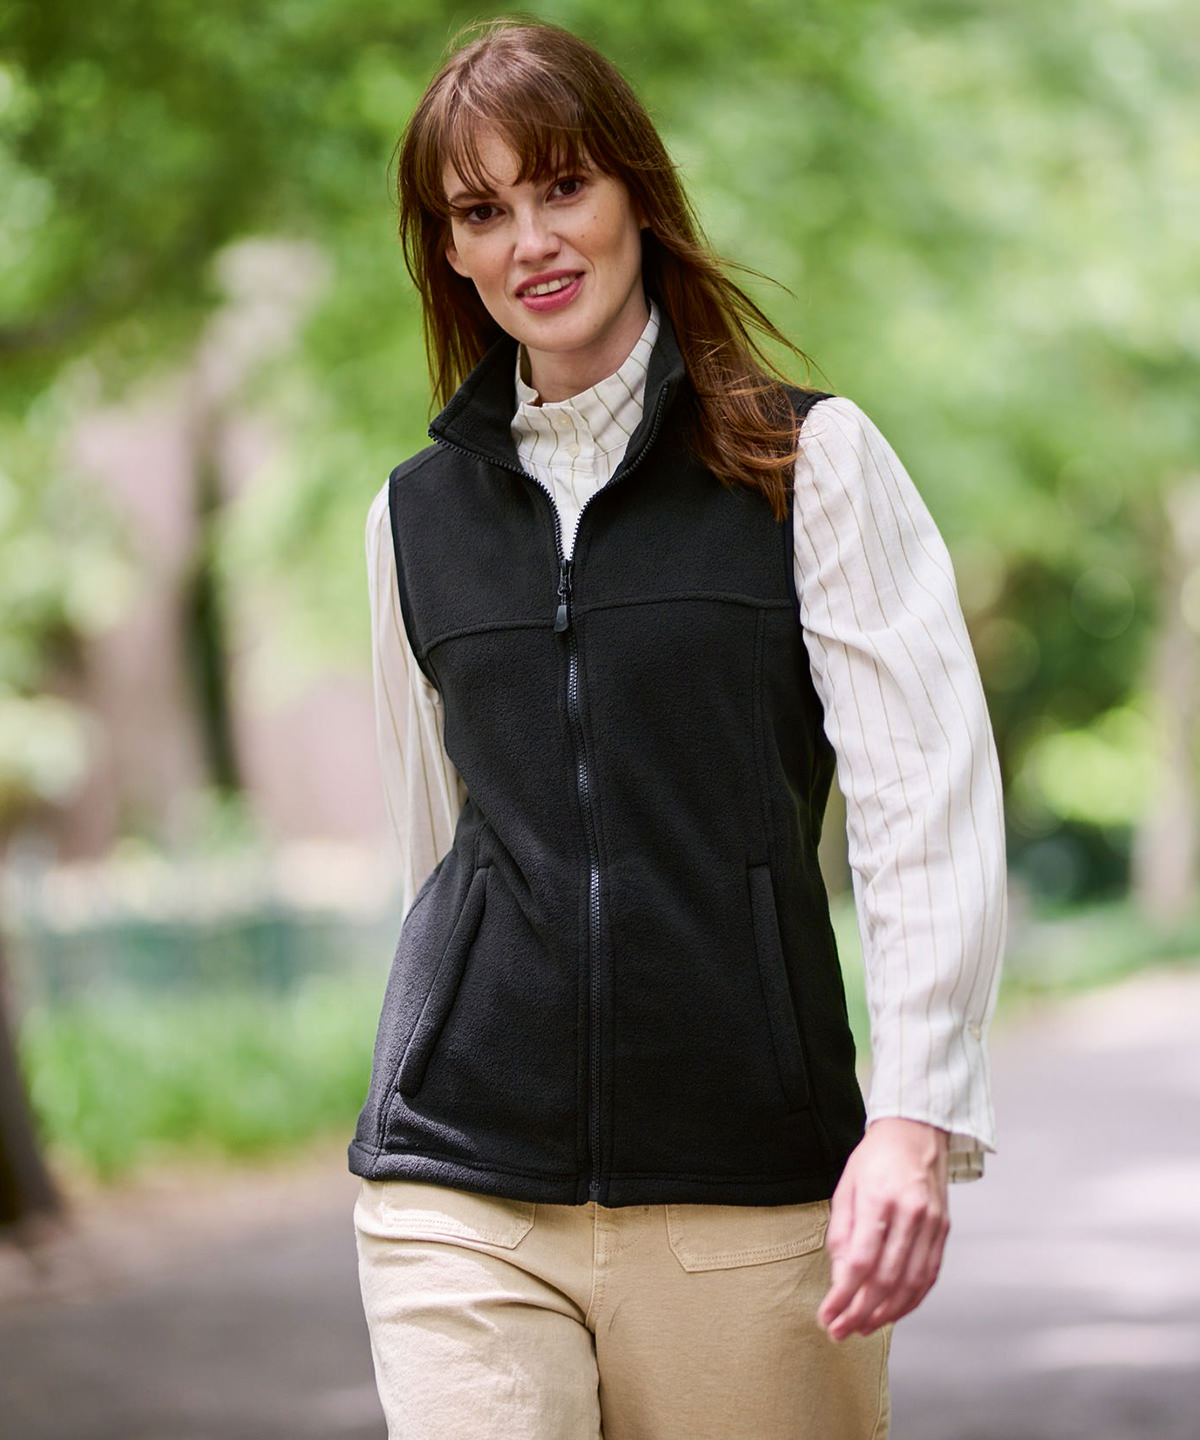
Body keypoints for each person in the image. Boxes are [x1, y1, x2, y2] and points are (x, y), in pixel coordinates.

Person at [348, 17, 1007, 1440]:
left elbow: (923, 798)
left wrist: (915, 1115)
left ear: (636, 193)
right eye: (482, 210)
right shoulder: (414, 518)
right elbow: (433, 843)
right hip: (461, 1179)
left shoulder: (806, 464)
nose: (532, 240)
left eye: (562, 185)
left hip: (745, 1180)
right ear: (449, 251)